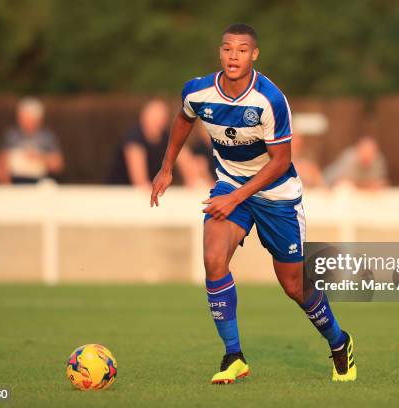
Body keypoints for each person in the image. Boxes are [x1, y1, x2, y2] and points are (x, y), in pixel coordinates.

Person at [150, 24, 355, 384]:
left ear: (254, 55)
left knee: (293, 286)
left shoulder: (269, 99)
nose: (233, 56)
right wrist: (167, 167)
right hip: (230, 184)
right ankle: (234, 356)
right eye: (228, 49)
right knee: (213, 260)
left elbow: (279, 161)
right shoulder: (198, 91)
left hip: (276, 194)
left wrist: (236, 198)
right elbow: (184, 117)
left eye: (242, 50)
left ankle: (339, 342)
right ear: (220, 52)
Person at [107, 99, 207, 188]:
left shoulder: (167, 137)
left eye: (162, 118)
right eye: (154, 118)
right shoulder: (134, 139)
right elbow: (140, 180)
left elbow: (185, 161)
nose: (158, 122)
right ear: (143, 117)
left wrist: (194, 181)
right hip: (120, 192)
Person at [0, 97, 64, 184]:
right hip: (15, 182)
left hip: (39, 182)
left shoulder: (47, 138)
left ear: (38, 119)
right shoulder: (11, 136)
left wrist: (40, 158)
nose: (23, 121)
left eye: (28, 118)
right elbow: (0, 163)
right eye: (22, 117)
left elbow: (58, 164)